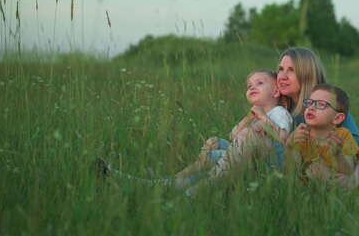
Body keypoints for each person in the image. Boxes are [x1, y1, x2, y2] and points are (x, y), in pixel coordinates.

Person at [97, 70, 292, 189]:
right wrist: (247, 119)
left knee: (206, 172)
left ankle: (187, 189)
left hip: (263, 164)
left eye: (259, 83)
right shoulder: (254, 113)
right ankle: (175, 178)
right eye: (249, 85)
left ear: (275, 91)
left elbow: (283, 138)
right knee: (213, 142)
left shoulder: (279, 113)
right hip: (238, 156)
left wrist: (262, 119)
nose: (252, 87)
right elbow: (232, 136)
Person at [276, 47, 359, 188]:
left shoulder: (328, 106)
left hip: (338, 161)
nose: (282, 76)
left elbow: (358, 148)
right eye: (280, 69)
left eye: (291, 70)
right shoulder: (278, 106)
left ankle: (351, 184)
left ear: (308, 74)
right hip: (300, 166)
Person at [286, 83, 359, 184]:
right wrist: (289, 146)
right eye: (310, 103)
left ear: (337, 118)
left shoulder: (342, 135)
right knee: (315, 168)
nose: (311, 108)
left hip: (339, 187)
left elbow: (349, 172)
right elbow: (291, 173)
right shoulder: (300, 135)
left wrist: (338, 154)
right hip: (308, 191)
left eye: (321, 104)